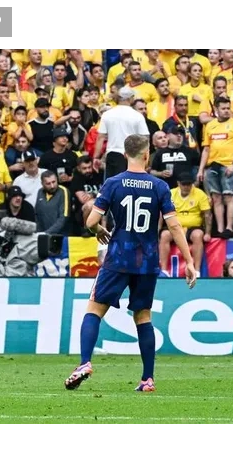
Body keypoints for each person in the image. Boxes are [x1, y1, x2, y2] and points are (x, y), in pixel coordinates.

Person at [64, 134, 197, 393]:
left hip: (118, 257)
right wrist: (189, 261)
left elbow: (91, 221)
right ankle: (147, 379)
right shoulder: (159, 186)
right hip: (147, 261)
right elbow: (174, 226)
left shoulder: (113, 183)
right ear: (147, 155)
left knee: (94, 309)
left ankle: (85, 363)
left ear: (125, 155)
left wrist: (98, 231)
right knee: (143, 316)